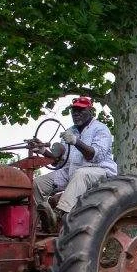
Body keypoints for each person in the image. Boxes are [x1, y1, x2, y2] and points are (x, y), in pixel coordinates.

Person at [33, 96, 118, 229]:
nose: (76, 114)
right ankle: (41, 220)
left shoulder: (101, 129)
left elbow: (94, 156)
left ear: (90, 111)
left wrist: (76, 142)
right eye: (74, 111)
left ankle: (58, 214)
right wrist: (43, 150)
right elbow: (60, 161)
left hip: (98, 171)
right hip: (71, 170)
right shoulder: (70, 131)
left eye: (80, 110)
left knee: (81, 174)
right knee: (36, 184)